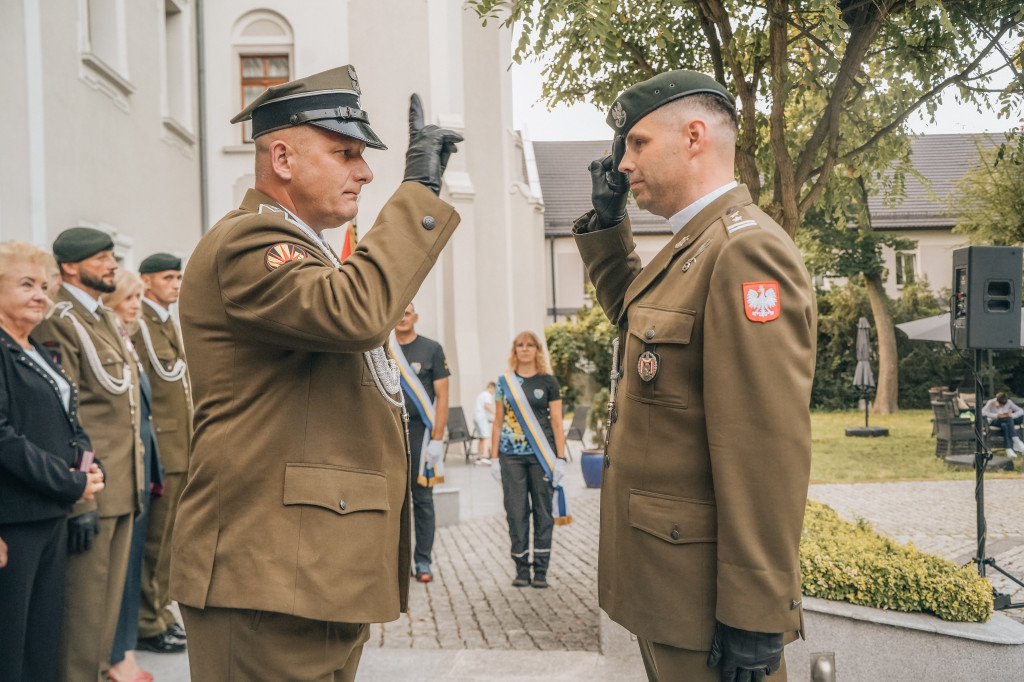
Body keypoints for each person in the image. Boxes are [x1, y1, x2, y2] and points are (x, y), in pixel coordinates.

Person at [169, 65, 463, 682]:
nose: (365, 172)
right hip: (265, 579)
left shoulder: (307, 248)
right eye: (345, 153)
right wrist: (416, 194)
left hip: (307, 574)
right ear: (282, 158)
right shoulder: (250, 242)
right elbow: (354, 312)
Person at [574, 70, 816, 681]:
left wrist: (757, 608)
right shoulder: (697, 245)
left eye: (637, 143)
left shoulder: (744, 251)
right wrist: (606, 225)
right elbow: (640, 323)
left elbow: (764, 445)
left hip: (708, 603)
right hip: (670, 586)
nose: (623, 164)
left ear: (694, 136)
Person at [34, 227, 145, 682]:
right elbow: (66, 415)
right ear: (70, 266)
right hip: (92, 487)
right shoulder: (59, 320)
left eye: (111, 256)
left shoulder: (102, 317)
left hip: (122, 482)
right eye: (100, 258)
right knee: (82, 614)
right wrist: (81, 500)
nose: (111, 265)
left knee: (105, 611)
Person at [0, 241, 104, 682]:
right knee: (10, 647)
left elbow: (68, 419)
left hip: (50, 514)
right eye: (27, 284)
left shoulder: (37, 348)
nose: (40, 295)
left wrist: (88, 466)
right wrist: (69, 482)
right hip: (13, 522)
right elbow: (3, 438)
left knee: (42, 643)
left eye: (44, 286)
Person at [103, 271, 164, 682]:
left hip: (140, 464)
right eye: (128, 298)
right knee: (116, 572)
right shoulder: (110, 342)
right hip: (118, 468)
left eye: (139, 298)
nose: (136, 305)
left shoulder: (127, 341)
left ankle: (122, 652)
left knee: (132, 564)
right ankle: (115, 656)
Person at [133, 253, 191, 655]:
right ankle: (146, 621)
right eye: (167, 278)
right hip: (162, 446)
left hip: (181, 444)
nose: (176, 284)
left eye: (178, 277)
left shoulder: (166, 322)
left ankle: (162, 610)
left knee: (171, 538)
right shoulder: (140, 325)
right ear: (146, 281)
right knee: (155, 540)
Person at [489, 331, 567, 589]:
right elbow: (497, 423)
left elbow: (557, 423)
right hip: (510, 457)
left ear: (537, 350)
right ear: (515, 351)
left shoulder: (549, 382)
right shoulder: (504, 382)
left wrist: (560, 458)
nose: (524, 349)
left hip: (541, 457)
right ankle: (522, 569)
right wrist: (493, 458)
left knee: (543, 512)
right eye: (520, 345)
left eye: (529, 345)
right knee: (516, 512)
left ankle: (541, 570)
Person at [392, 303, 450, 583]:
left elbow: (443, 398)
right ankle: (397, 563)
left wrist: (437, 439)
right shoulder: (383, 348)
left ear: (415, 317)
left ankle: (423, 561)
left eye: (408, 313)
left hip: (420, 434)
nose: (402, 318)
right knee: (394, 501)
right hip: (391, 432)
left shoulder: (432, 349)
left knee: (423, 500)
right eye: (399, 312)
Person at [981, 392, 1024, 460]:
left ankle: (1008, 449)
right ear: (997, 400)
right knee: (1008, 419)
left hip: (1006, 422)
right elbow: (982, 412)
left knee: (1005, 425)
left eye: (1004, 404)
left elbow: (1021, 411)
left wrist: (1012, 415)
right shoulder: (991, 402)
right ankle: (1016, 440)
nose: (1002, 405)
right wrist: (996, 415)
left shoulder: (1009, 402)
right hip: (994, 421)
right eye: (1001, 403)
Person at [473, 381, 496, 462]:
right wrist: (494, 413)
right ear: (491, 388)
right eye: (494, 391)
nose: (493, 393)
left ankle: (479, 457)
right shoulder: (487, 395)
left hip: (476, 417)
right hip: (482, 417)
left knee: (481, 438)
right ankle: (485, 456)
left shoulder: (481, 394)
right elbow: (486, 406)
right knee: (486, 437)